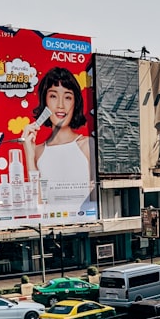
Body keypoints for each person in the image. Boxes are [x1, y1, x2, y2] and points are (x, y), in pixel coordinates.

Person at [22, 66, 95, 213]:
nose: (60, 105)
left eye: (68, 97)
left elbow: (95, 200)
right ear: (45, 101)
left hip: (85, 225)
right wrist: (29, 157)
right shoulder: (37, 151)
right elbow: (37, 206)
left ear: (76, 103)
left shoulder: (87, 145)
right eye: (53, 96)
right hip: (48, 229)